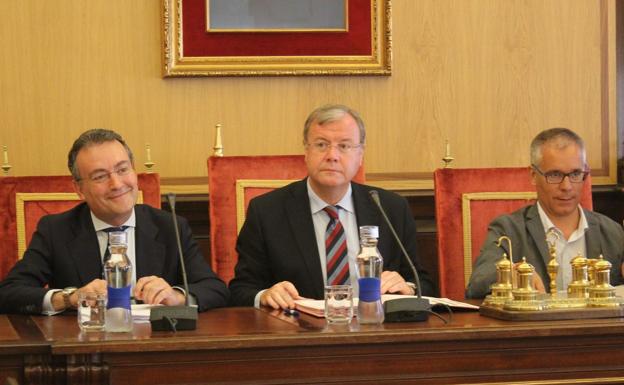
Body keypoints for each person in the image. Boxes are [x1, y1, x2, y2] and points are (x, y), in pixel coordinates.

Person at [0, 129, 229, 314]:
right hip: (84, 351)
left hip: (153, 347)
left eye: (122, 169)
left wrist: (177, 296)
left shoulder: (170, 227)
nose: (117, 184)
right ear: (79, 189)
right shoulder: (56, 230)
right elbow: (9, 293)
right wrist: (70, 298)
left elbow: (215, 289)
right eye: (100, 176)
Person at [229, 104, 435, 309]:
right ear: (306, 152)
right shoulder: (267, 212)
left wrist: (408, 288)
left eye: (344, 146)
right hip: (299, 333)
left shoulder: (390, 209)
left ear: (360, 155)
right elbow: (240, 290)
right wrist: (265, 295)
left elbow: (424, 283)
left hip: (373, 331)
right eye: (321, 145)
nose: (332, 155)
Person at [466, 128, 624, 298]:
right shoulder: (509, 230)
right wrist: (512, 274)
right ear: (534, 175)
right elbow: (477, 283)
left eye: (575, 174)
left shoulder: (611, 231)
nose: (567, 186)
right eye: (555, 175)